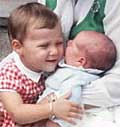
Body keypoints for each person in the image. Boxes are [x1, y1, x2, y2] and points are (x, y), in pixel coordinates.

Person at [37, 0, 120, 127]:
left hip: (94, 101)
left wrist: (54, 99)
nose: (68, 43)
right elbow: (28, 41)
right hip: (43, 90)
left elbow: (116, 83)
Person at [0, 2, 82, 127]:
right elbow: (17, 113)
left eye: (59, 43)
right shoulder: (9, 73)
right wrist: (52, 108)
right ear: (18, 47)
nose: (54, 51)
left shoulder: (48, 65)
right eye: (44, 46)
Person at [32, 30, 116, 127]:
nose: (68, 42)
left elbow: (71, 104)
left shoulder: (76, 79)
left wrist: (56, 123)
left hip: (51, 117)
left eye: (72, 44)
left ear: (80, 61)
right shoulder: (72, 68)